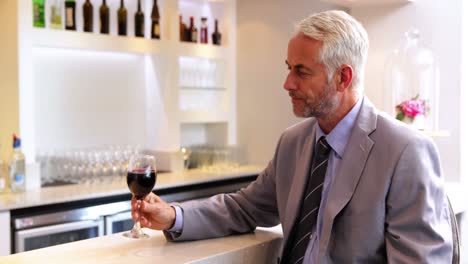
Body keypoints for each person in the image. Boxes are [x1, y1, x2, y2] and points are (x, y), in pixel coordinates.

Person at [131, 10, 453, 263]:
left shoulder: (405, 151)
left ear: (343, 77)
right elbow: (242, 208)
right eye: (289, 68)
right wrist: (174, 216)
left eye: (301, 71)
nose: (287, 83)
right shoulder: (293, 142)